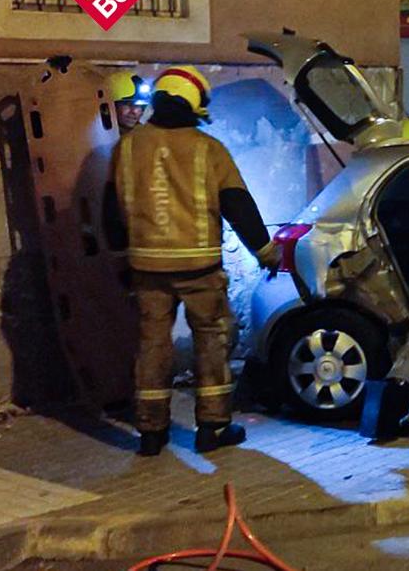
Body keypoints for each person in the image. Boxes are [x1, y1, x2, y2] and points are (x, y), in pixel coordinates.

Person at [105, 66, 279, 456]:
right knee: (212, 342)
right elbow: (238, 205)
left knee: (152, 345)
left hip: (147, 269)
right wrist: (266, 252)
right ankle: (213, 428)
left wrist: (120, 262)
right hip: (200, 269)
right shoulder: (209, 149)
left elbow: (110, 210)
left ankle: (151, 432)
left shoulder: (127, 148)